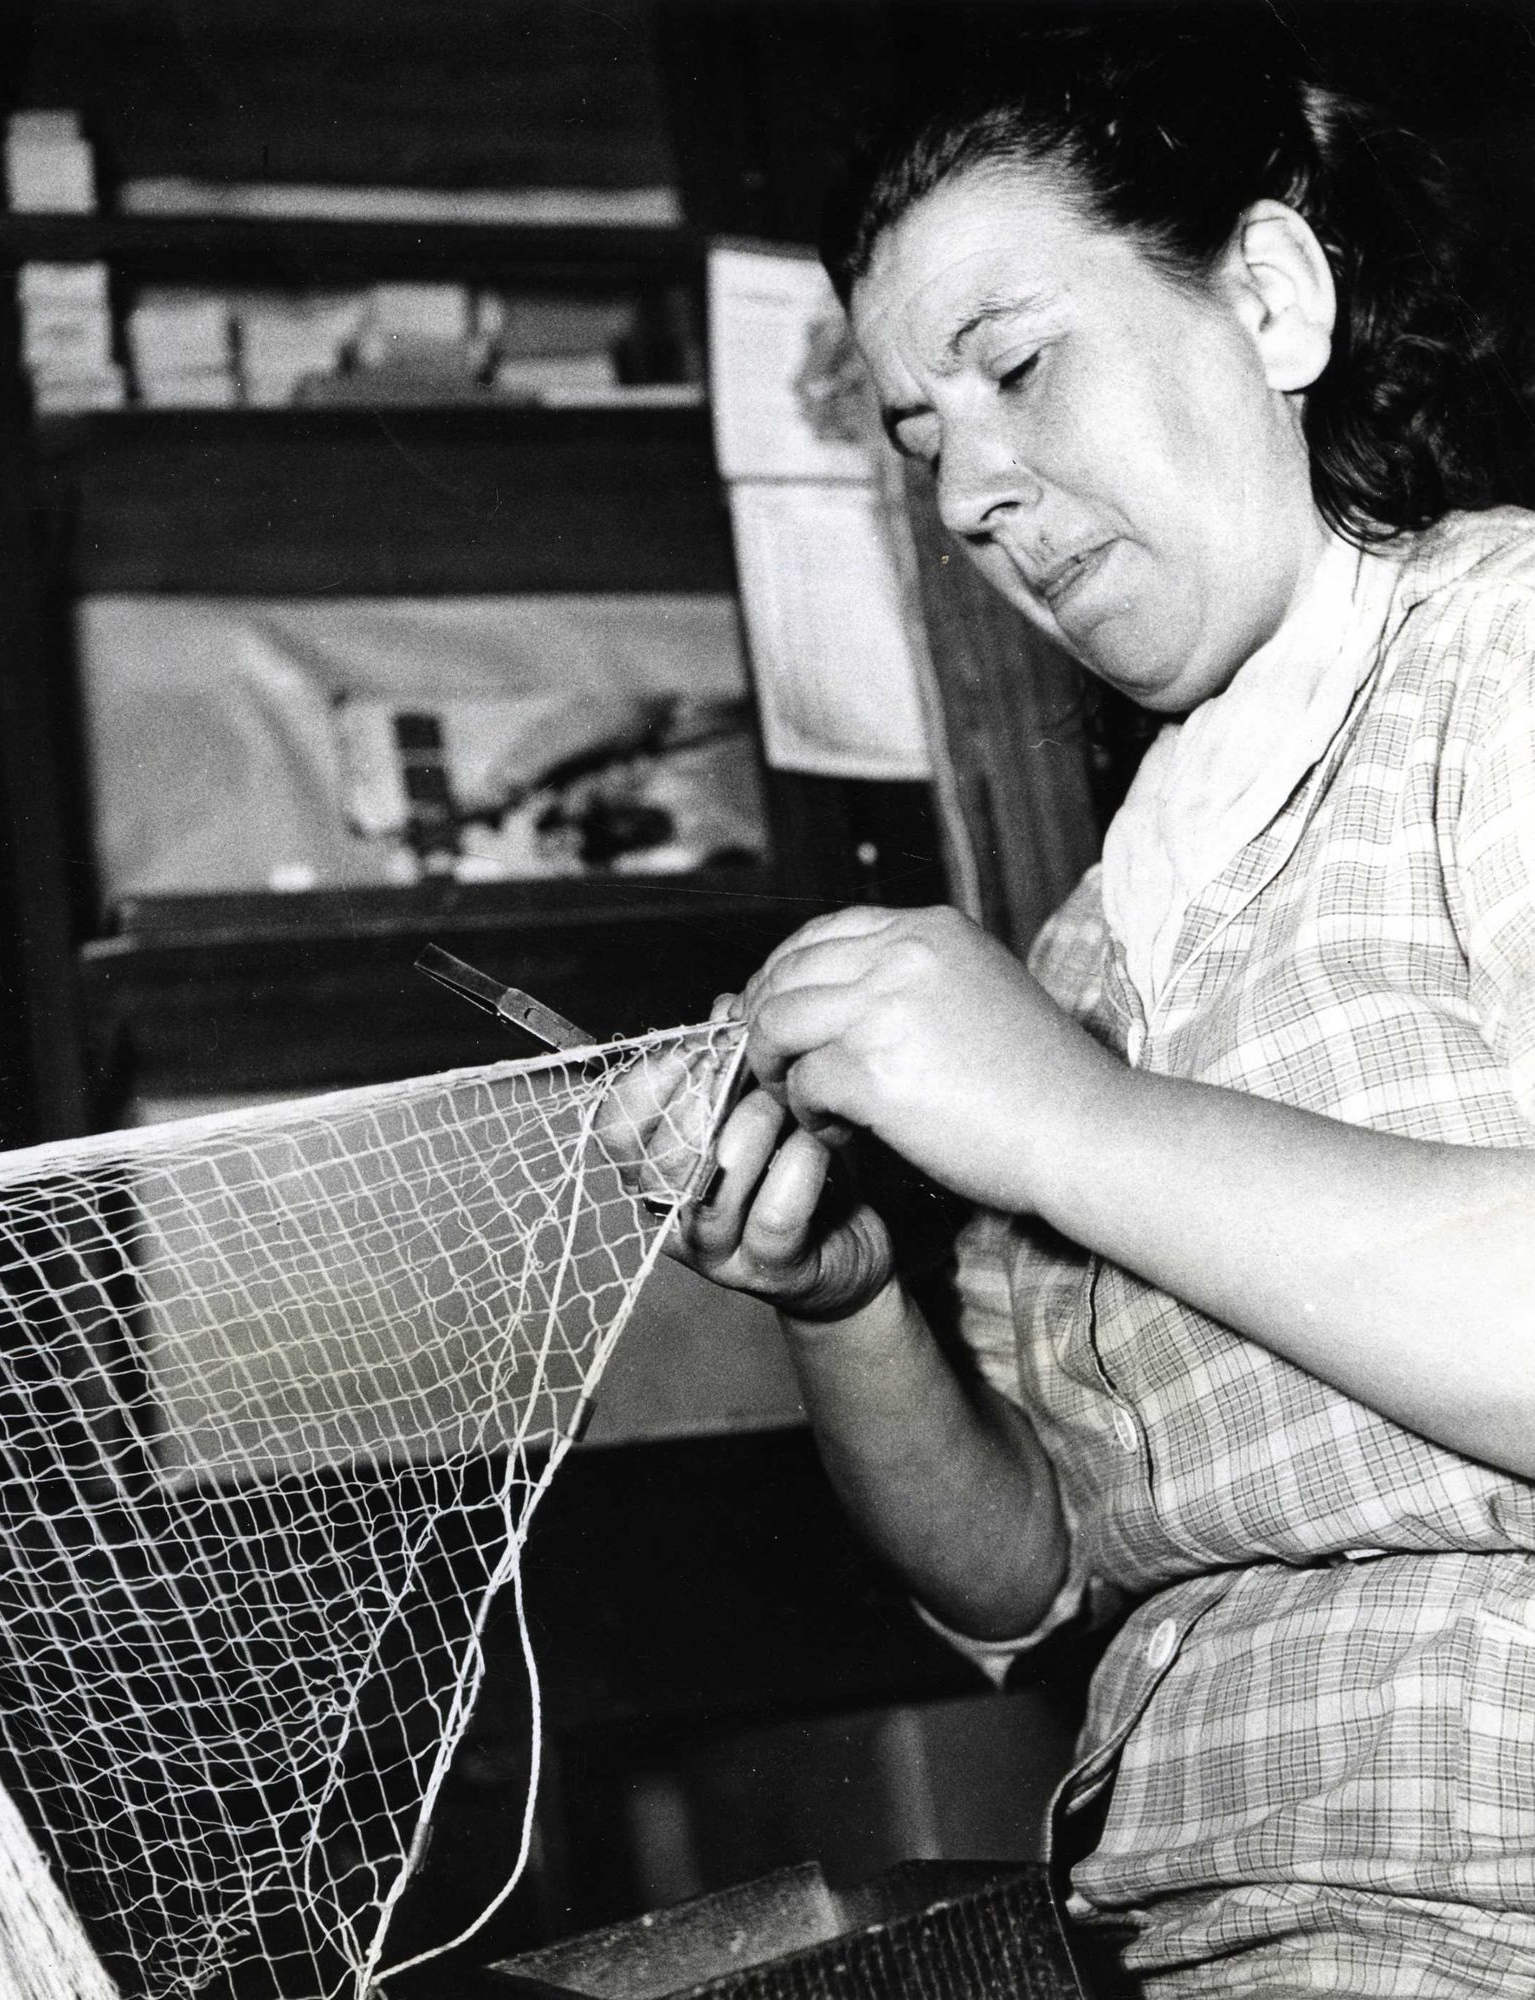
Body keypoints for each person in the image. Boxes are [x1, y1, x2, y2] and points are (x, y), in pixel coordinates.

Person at [623, 17, 1535, 1996]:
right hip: (1176, 1915)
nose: (968, 494)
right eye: (918, 440)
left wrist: (1058, 1120)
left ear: (1272, 301)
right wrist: (843, 1296)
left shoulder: (1500, 659)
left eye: (1018, 366)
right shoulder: (1082, 946)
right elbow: (1029, 1576)